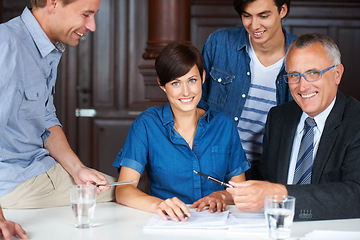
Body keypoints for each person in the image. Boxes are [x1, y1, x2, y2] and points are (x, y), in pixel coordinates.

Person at [226, 33, 360, 221]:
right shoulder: (279, 117)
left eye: (313, 73)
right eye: (294, 75)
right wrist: (229, 193)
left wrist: (281, 193)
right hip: (274, 228)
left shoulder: (356, 121)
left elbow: (355, 195)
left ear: (337, 74)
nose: (302, 86)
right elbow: (266, 177)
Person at [113, 43, 250, 222]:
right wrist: (157, 205)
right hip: (168, 224)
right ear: (161, 84)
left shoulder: (224, 125)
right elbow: (123, 190)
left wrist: (221, 196)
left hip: (215, 225)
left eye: (192, 80)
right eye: (175, 83)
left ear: (202, 77)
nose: (186, 92)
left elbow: (239, 190)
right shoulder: (146, 124)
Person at [0, 0, 115, 209]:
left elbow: (45, 118)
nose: (92, 26)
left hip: (37, 169)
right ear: (52, 3)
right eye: (86, 14)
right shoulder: (6, 44)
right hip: (14, 183)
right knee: (124, 193)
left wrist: (77, 169)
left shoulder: (47, 47)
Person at [201, 0, 296, 168]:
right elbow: (197, 103)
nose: (254, 25)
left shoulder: (301, 54)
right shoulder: (219, 43)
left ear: (282, 10)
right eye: (247, 16)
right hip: (216, 164)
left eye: (263, 16)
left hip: (271, 170)